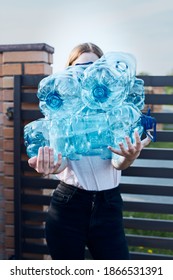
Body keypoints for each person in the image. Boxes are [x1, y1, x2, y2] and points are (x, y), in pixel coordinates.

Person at [28, 42, 151, 260]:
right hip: (68, 205)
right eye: (80, 67)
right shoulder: (62, 114)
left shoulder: (117, 112)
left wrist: (128, 157)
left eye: (93, 67)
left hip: (108, 206)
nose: (86, 74)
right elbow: (64, 163)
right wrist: (52, 164)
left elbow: (116, 162)